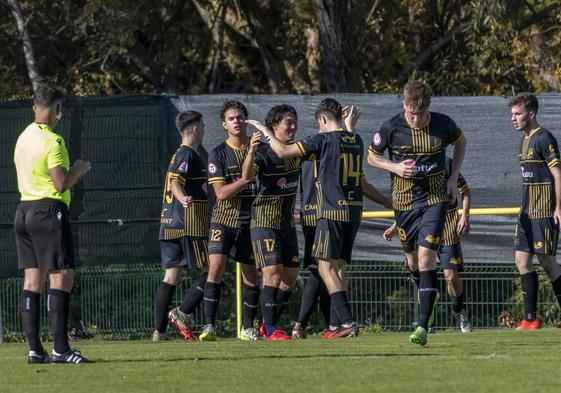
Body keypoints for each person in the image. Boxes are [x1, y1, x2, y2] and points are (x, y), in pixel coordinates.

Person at [248, 98, 389, 338]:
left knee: (323, 267)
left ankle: (345, 323)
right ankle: (333, 324)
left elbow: (282, 151)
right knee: (337, 268)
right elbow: (360, 179)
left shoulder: (322, 140)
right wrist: (390, 204)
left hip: (329, 213)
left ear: (322, 120)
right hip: (353, 212)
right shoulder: (356, 139)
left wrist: (263, 130)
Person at [368, 80, 467, 345]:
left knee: (426, 259)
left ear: (428, 109)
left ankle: (422, 326)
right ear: (404, 105)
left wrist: (453, 176)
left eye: (420, 114)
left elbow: (461, 142)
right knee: (412, 262)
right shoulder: (392, 127)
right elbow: (371, 157)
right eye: (411, 113)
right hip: (403, 204)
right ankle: (426, 297)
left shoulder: (443, 124)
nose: (415, 118)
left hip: (435, 201)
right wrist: (395, 167)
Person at [14, 85, 91, 363]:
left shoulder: (23, 137)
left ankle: (35, 350)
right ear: (57, 109)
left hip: (24, 211)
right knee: (62, 277)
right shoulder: (53, 141)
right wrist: (79, 171)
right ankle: (60, 349)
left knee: (32, 281)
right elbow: (60, 184)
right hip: (48, 210)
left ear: (35, 106)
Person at [383, 157, 473, 333]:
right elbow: (409, 202)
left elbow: (465, 190)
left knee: (451, 276)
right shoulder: (411, 165)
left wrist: (465, 215)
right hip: (423, 222)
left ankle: (459, 310)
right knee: (417, 268)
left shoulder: (446, 163)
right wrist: (396, 225)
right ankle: (427, 319)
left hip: (447, 222)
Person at [242, 105, 301, 340]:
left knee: (290, 279)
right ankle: (270, 328)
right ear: (274, 126)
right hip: (264, 223)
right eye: (288, 122)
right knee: (273, 275)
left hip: (287, 224)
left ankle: (267, 324)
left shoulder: (296, 150)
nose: (293, 126)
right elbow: (246, 177)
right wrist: (249, 152)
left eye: (295, 121)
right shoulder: (263, 152)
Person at [203, 100, 260, 341]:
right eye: (231, 118)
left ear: (245, 120)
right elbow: (221, 193)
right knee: (215, 268)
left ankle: (248, 328)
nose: (236, 121)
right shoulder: (218, 153)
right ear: (223, 124)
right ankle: (209, 327)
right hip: (223, 219)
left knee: (250, 274)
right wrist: (244, 181)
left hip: (251, 219)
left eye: (239, 117)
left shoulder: (259, 148)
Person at [152, 110, 209, 342]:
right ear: (195, 128)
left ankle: (159, 331)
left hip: (168, 224)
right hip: (188, 224)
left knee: (171, 276)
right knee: (211, 272)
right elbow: (176, 181)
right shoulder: (188, 154)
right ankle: (182, 312)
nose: (204, 130)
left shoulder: (177, 154)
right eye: (203, 126)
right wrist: (183, 197)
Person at [509, 92, 561, 330]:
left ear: (531, 114)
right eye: (512, 114)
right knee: (521, 260)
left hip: (544, 213)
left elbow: (558, 174)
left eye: (517, 114)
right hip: (527, 215)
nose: (513, 118)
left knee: (548, 263)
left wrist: (558, 207)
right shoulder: (523, 140)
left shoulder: (544, 138)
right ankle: (530, 319)